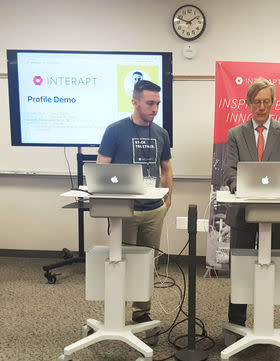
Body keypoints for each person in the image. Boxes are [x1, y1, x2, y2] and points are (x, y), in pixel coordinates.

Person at [224, 77, 280, 326]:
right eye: (257, 101)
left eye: (266, 101)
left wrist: (273, 192)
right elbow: (230, 170)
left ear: (273, 103)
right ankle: (236, 323)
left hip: (275, 211)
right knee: (241, 267)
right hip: (242, 210)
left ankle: (265, 321)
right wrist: (244, 191)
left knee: (271, 266)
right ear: (248, 103)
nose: (261, 107)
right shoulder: (235, 133)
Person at [97, 80, 173, 323]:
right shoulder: (115, 130)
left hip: (154, 211)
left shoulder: (161, 133)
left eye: (158, 104)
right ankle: (116, 313)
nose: (155, 108)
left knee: (148, 264)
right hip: (124, 212)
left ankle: (142, 312)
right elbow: (102, 168)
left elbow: (166, 169)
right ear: (135, 102)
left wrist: (167, 201)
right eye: (150, 103)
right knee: (122, 263)